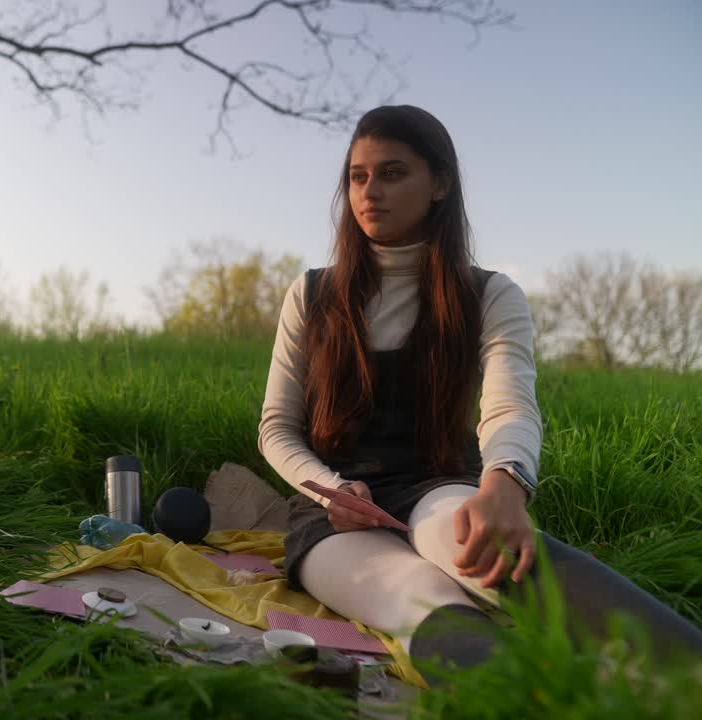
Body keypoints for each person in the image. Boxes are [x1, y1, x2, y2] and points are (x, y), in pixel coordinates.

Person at [258, 105, 700, 674]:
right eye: (357, 175)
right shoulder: (311, 293)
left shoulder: (490, 294)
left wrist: (505, 482)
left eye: (393, 173)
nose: (369, 192)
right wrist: (331, 490)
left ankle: (683, 677)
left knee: (490, 557)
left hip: (440, 486)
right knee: (415, 596)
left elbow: (510, 404)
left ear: (440, 183)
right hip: (333, 509)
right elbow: (276, 427)